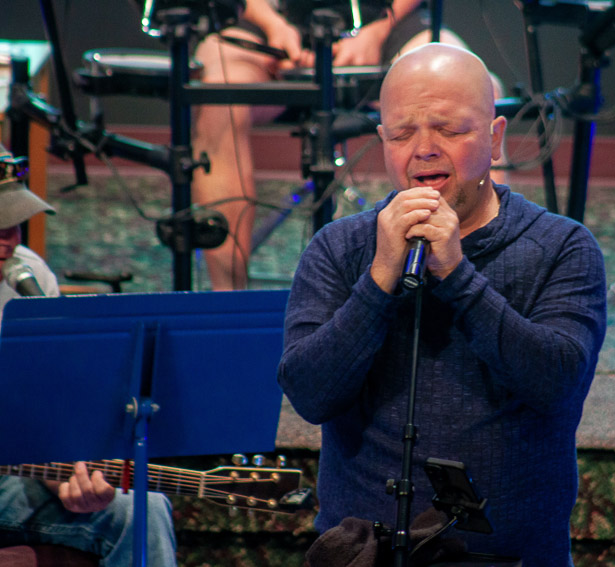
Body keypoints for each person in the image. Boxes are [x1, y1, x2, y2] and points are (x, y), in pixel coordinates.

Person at [278, 43, 607, 565]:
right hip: (364, 554)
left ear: (495, 139)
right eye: (402, 134)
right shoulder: (339, 248)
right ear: (382, 141)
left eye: (449, 130)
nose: (424, 150)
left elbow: (557, 382)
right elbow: (311, 395)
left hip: (508, 559)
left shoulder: (561, 247)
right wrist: (380, 278)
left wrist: (456, 275)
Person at [191, 0, 506, 290]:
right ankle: (227, 296)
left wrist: (378, 30)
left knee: (482, 90)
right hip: (273, 23)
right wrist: (274, 26)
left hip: (385, 19)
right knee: (216, 98)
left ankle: (482, 280)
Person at [0, 175, 178, 566]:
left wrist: (64, 476)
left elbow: (49, 408)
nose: (10, 240)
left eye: (15, 223)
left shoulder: (29, 275)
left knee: (144, 511)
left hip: (11, 474)